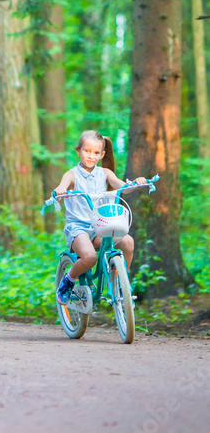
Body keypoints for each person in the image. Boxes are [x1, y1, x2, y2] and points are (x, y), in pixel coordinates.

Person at [53, 129, 147, 305]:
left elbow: (124, 188)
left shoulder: (105, 174)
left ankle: (120, 282)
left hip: (99, 226)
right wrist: (60, 192)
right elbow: (62, 187)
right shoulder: (71, 174)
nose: (91, 156)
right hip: (78, 228)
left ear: (102, 154)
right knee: (89, 257)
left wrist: (135, 184)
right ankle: (68, 280)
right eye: (87, 151)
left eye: (96, 153)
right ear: (78, 150)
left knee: (127, 242)